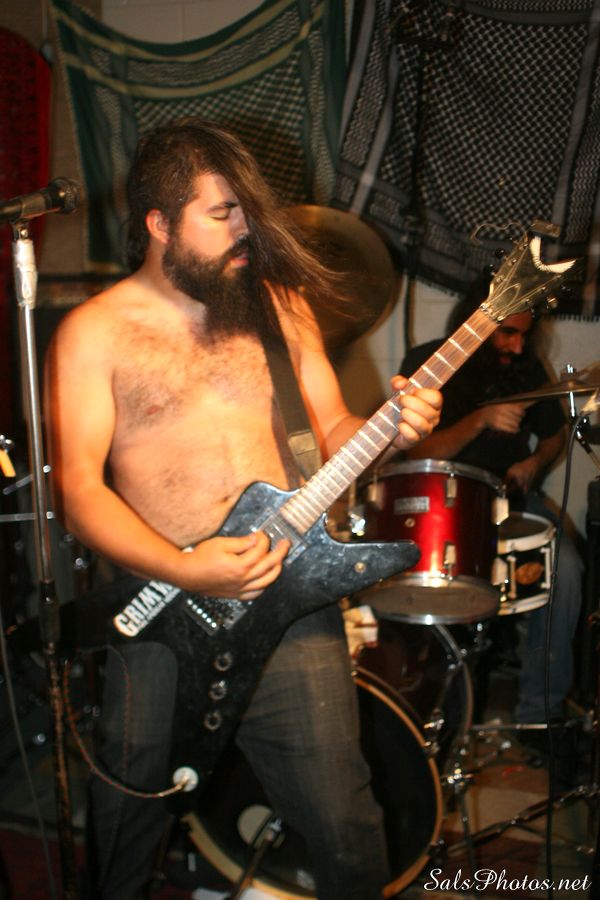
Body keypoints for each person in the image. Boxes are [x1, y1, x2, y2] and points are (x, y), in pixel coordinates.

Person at [43, 118, 442, 900]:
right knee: (128, 817)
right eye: (221, 214)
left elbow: (333, 431)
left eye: (247, 212)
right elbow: (78, 492)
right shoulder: (94, 333)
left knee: (345, 820)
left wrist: (393, 429)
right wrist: (186, 568)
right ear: (159, 223)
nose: (244, 231)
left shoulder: (279, 306)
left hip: (288, 595)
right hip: (161, 610)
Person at [399, 285, 583, 741]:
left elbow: (555, 435)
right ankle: (443, 722)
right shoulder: (429, 364)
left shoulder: (525, 365)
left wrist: (533, 462)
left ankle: (539, 717)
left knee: (567, 572)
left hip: (512, 501)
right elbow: (415, 451)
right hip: (446, 507)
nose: (517, 345)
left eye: (524, 335)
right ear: (475, 327)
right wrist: (481, 420)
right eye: (507, 334)